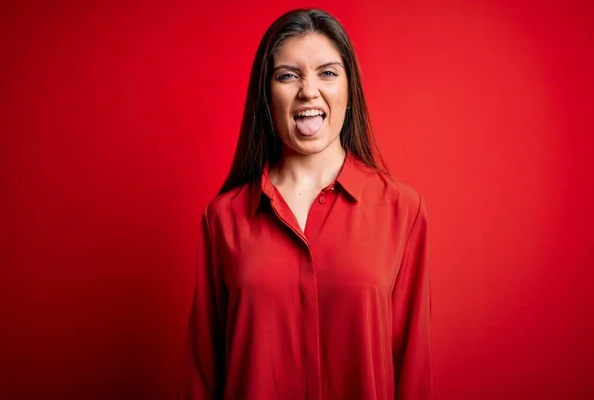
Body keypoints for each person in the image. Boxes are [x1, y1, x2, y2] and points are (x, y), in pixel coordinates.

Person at [180, 8, 433, 400]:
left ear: (350, 92)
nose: (308, 90)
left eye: (327, 73)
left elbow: (412, 369)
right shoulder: (223, 219)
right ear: (267, 95)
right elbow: (202, 374)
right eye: (288, 75)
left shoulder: (402, 210)